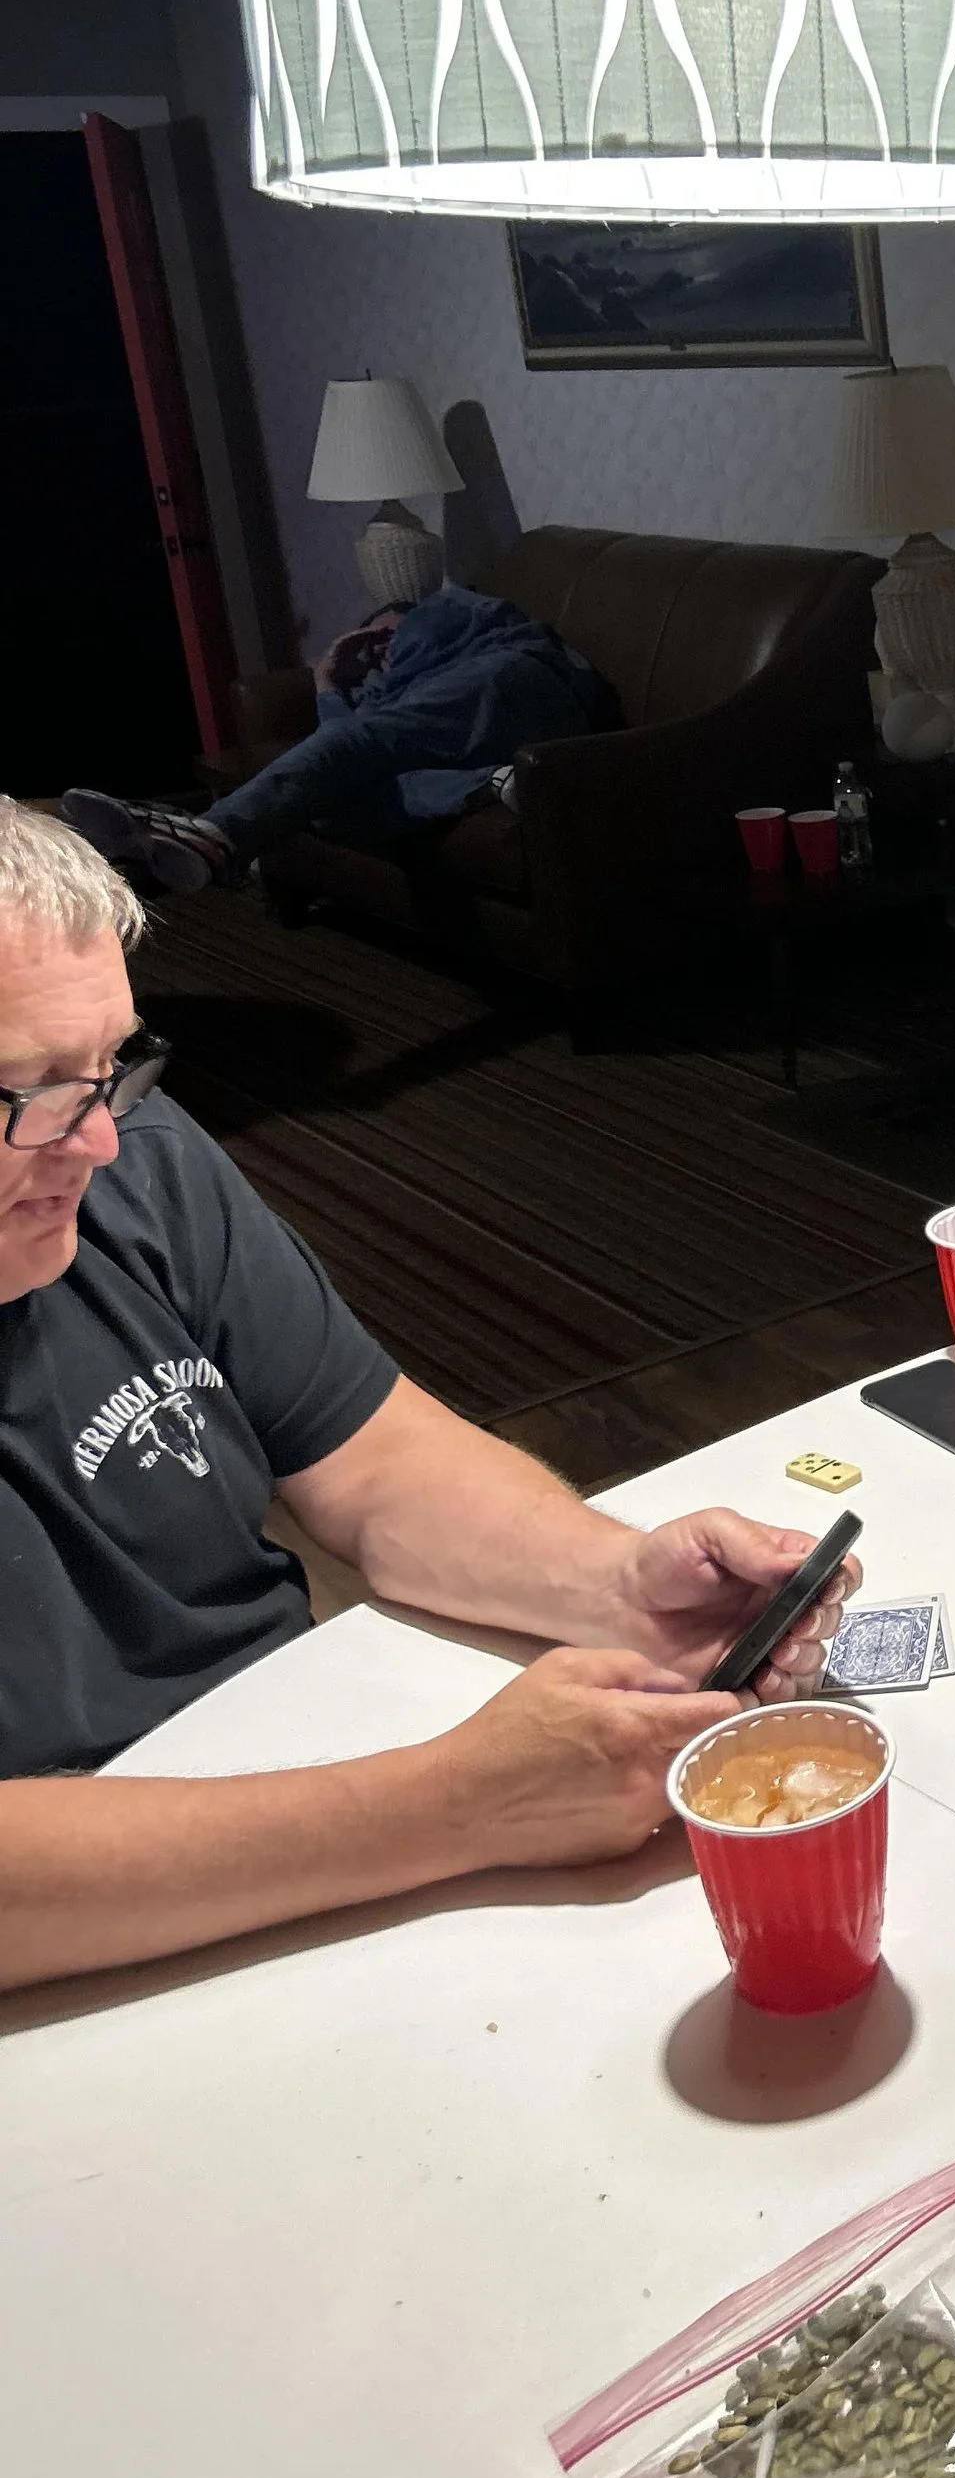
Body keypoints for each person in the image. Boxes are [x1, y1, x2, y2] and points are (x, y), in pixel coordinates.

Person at [0, 801, 858, 1992]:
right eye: (30, 1092)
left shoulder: (134, 1158)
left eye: (109, 1067)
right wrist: (456, 1806)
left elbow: (373, 1460)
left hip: (290, 1804)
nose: (96, 1141)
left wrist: (613, 1584)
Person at [60, 582, 611, 893]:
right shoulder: (397, 693)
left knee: (365, 750)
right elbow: (347, 755)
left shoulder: (448, 613)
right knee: (334, 804)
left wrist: (380, 646)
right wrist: (328, 680)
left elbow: (363, 738)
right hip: (509, 740)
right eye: (370, 653)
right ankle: (488, 783)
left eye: (382, 636)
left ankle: (212, 835)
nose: (379, 653)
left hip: (526, 683)